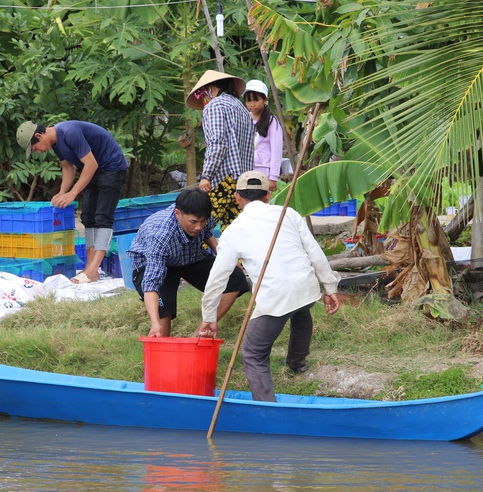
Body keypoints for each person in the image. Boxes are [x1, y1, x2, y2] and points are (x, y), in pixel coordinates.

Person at [199, 171, 341, 402]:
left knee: (253, 354)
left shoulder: (233, 231)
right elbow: (314, 251)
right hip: (305, 286)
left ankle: (267, 407)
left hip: (277, 295)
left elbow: (217, 279)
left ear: (237, 197)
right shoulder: (288, 213)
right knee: (301, 310)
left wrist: (209, 316)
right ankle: (297, 363)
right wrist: (330, 288)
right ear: (268, 195)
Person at [16, 120, 128, 284]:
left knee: (103, 217)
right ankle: (90, 268)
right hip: (94, 170)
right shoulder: (55, 143)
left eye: (35, 148)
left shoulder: (69, 133)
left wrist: (73, 193)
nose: (37, 152)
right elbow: (69, 168)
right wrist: (62, 193)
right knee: (88, 217)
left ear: (39, 136)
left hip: (112, 167)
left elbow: (91, 163)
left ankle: (93, 268)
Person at [127, 188, 249, 338]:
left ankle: (199, 335)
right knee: (163, 309)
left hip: (189, 256)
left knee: (235, 278)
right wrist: (154, 323)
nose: (198, 227)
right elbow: (151, 283)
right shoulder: (160, 235)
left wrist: (223, 257)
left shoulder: (205, 217)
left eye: (202, 221)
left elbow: (207, 233)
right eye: (193, 222)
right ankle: (162, 349)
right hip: (156, 262)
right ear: (178, 213)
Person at [186, 70, 255, 231]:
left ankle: (195, 257)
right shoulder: (242, 109)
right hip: (241, 181)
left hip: (224, 179)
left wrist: (206, 175)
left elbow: (217, 144)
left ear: (210, 89)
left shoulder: (215, 106)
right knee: (235, 231)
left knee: (198, 227)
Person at [242, 79, 283, 192]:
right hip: (246, 169)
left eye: (256, 100)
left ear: (265, 100)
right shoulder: (245, 119)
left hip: (264, 171)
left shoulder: (271, 122)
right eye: (248, 101)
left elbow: (276, 150)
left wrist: (273, 177)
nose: (252, 104)